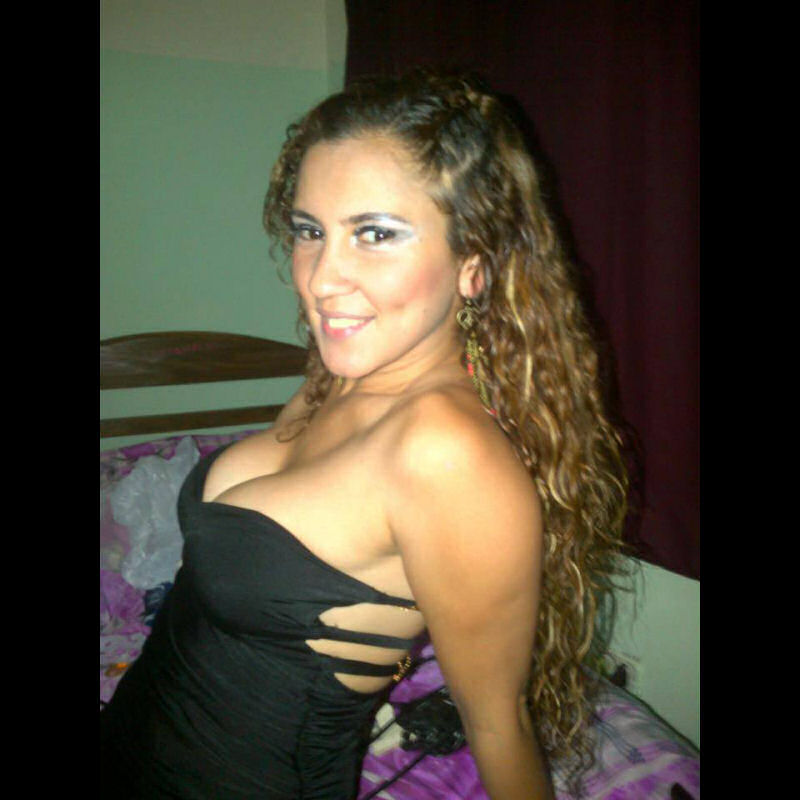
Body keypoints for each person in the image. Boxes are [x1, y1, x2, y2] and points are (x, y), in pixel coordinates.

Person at [100, 69, 628, 799]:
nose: (321, 279)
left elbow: (497, 725)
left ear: (473, 265)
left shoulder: (447, 455)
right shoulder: (343, 371)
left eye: (375, 234)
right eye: (310, 231)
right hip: (130, 737)